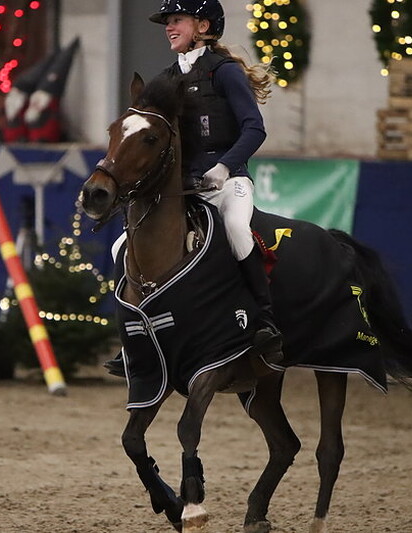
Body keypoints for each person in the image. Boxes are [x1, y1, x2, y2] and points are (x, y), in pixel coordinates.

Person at [105, 0, 282, 377]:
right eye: (167, 22)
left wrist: (225, 166)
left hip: (227, 181)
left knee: (236, 231)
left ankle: (265, 322)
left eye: (177, 20)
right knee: (123, 245)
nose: (169, 27)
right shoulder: (167, 78)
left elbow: (255, 128)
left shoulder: (225, 73)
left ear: (202, 25)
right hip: (183, 188)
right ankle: (134, 337)